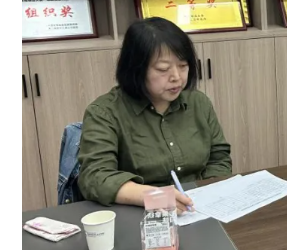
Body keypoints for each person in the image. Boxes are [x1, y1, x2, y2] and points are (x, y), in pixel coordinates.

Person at [77, 17, 232, 212]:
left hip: (196, 209)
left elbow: (219, 157)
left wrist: (209, 195)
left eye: (183, 66)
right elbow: (95, 177)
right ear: (136, 69)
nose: (176, 77)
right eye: (163, 69)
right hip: (139, 213)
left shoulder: (198, 102)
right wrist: (155, 197)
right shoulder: (104, 113)